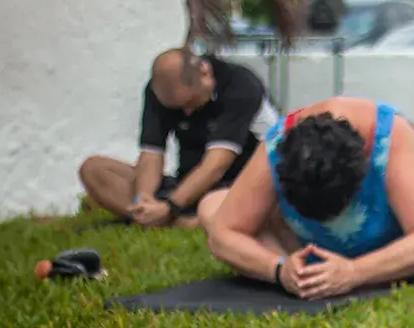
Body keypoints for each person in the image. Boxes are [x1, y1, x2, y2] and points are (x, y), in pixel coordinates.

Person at [198, 97, 414, 300]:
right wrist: (278, 269)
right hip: (306, 249)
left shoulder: (392, 134)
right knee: (212, 206)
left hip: (394, 244)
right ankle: (313, 276)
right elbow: (225, 231)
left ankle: (382, 274)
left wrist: (356, 272)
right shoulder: (279, 142)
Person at [78, 47, 278, 229]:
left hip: (234, 184)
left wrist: (170, 206)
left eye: (191, 103)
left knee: (239, 204)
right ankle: (160, 219)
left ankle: (174, 220)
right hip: (185, 183)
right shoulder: (159, 91)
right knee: (94, 169)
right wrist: (144, 198)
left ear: (206, 74)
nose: (187, 112)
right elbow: (151, 155)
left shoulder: (240, 86)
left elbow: (215, 167)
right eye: (178, 108)